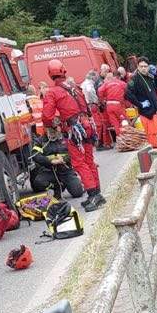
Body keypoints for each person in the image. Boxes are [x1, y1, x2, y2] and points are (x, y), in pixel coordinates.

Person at [41, 59, 104, 212]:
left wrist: (55, 124)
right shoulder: (75, 87)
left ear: (50, 75)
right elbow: (86, 107)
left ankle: (92, 194)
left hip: (75, 130)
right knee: (89, 160)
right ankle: (97, 194)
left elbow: (46, 117)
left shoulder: (53, 92)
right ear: (64, 71)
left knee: (79, 163)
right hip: (88, 125)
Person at [29, 129, 85, 199]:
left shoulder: (66, 137)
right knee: (38, 182)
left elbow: (75, 153)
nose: (53, 133)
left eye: (55, 131)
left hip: (65, 171)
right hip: (49, 171)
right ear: (46, 130)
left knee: (77, 192)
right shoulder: (40, 141)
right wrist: (50, 161)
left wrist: (64, 159)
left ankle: (74, 182)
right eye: (51, 131)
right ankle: (57, 187)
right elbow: (35, 156)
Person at [125, 57, 157, 148]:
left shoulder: (150, 77)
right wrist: (140, 104)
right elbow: (127, 94)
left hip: (155, 111)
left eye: (145, 66)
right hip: (147, 113)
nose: (143, 68)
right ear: (138, 67)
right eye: (141, 66)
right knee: (153, 135)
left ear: (148, 67)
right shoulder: (134, 79)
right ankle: (156, 152)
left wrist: (156, 76)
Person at [81, 70, 111, 149]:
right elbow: (90, 91)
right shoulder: (89, 84)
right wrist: (97, 101)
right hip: (92, 105)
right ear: (93, 77)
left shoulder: (83, 84)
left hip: (87, 106)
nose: (96, 79)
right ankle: (99, 143)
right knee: (99, 124)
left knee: (95, 124)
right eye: (95, 77)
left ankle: (99, 142)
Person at [97, 69, 128, 143]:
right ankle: (127, 138)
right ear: (119, 76)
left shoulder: (107, 83)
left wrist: (102, 99)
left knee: (115, 123)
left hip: (109, 105)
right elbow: (128, 93)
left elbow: (99, 90)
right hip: (118, 105)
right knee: (123, 122)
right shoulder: (122, 83)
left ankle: (120, 140)